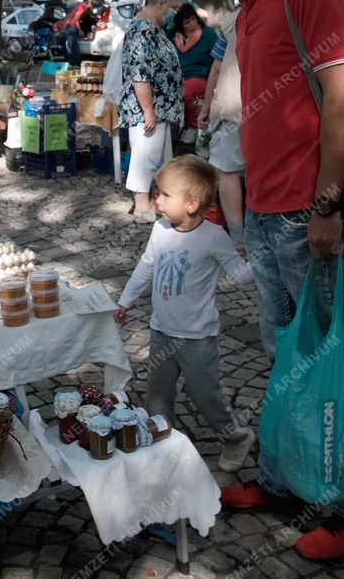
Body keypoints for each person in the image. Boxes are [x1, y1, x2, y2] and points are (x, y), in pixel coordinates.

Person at [181, 0, 344, 561]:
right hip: (269, 213)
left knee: (338, 358)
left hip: (308, 211)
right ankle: (290, 480)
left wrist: (326, 205)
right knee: (286, 360)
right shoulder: (247, 10)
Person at [115, 155, 256, 470]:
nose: (157, 198)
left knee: (205, 395)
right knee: (157, 395)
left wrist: (263, 261)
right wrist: (125, 300)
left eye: (165, 194)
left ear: (192, 204)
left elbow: (239, 275)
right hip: (162, 330)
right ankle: (164, 442)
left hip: (197, 338)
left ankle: (235, 437)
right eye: (157, 192)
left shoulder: (213, 236)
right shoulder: (160, 229)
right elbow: (146, 266)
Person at [119, 0, 184, 220]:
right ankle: (141, 205)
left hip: (158, 108)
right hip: (147, 108)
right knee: (145, 156)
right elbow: (140, 73)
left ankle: (151, 202)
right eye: (174, 8)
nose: (176, 14)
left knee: (153, 156)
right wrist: (148, 110)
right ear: (162, 4)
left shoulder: (153, 29)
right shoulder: (142, 30)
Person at [199, 9, 245, 245]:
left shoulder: (232, 21)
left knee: (227, 171)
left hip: (233, 106)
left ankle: (238, 236)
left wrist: (206, 108)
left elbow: (217, 68)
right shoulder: (284, 9)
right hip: (272, 109)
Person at [171, 3, 219, 144]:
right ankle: (190, 126)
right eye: (187, 22)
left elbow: (218, 59)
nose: (192, 23)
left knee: (187, 91)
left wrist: (186, 3)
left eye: (193, 19)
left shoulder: (208, 34)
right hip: (180, 78)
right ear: (181, 26)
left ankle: (193, 126)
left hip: (201, 76)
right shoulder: (175, 38)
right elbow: (166, 24)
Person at [55, 0, 100, 67]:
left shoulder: (85, 7)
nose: (92, 8)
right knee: (72, 46)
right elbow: (76, 20)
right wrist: (80, 30)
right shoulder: (82, 8)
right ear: (91, 4)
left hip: (72, 27)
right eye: (93, 6)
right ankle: (73, 64)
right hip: (71, 27)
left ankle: (74, 62)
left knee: (73, 46)